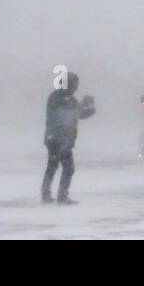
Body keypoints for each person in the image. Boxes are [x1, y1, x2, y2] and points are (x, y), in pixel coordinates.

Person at [42, 71, 95, 204]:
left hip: (55, 137)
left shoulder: (62, 97)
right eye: (74, 84)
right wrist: (82, 106)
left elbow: (78, 114)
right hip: (60, 138)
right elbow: (68, 114)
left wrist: (89, 108)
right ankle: (61, 195)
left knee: (53, 165)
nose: (75, 87)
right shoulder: (59, 97)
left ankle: (46, 194)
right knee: (68, 167)